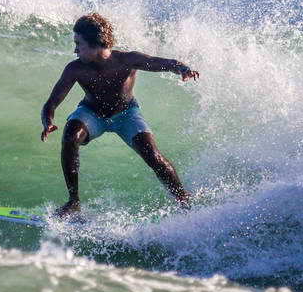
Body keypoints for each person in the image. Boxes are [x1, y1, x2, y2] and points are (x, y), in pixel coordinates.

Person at [40, 13, 199, 218]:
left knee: (151, 153)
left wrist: (183, 69)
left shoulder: (126, 60)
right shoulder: (75, 69)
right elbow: (51, 103)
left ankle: (183, 201)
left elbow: (164, 63)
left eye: (79, 44)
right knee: (70, 136)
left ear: (95, 44)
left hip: (126, 114)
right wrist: (48, 122)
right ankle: (73, 202)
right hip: (91, 113)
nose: (75, 50)